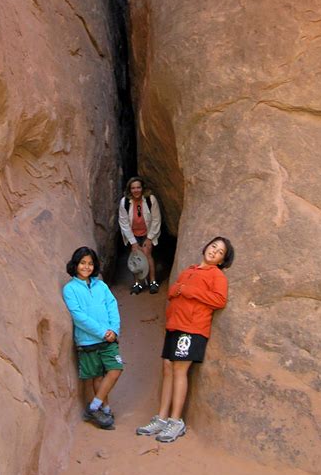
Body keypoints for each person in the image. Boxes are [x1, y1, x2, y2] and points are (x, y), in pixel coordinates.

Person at [136, 236, 235, 442]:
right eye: (213, 246)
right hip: (175, 325)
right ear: (206, 246)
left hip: (192, 328)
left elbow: (219, 300)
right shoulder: (189, 270)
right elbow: (174, 291)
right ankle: (161, 418)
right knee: (167, 368)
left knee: (180, 370)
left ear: (222, 261)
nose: (214, 252)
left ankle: (176, 421)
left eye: (220, 253)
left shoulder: (217, 275)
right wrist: (178, 291)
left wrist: (188, 291)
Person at [62, 246, 123, 430]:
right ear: (75, 264)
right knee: (97, 376)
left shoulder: (101, 286)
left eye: (90, 263)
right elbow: (78, 316)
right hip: (88, 340)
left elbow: (112, 306)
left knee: (115, 369)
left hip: (108, 339)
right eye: (82, 263)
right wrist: (102, 332)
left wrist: (114, 329)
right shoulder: (70, 289)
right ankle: (105, 409)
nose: (86, 267)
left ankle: (93, 406)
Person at [118, 176, 162, 294]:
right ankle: (137, 283)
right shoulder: (125, 202)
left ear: (142, 188)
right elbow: (124, 223)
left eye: (138, 187)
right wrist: (133, 242)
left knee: (147, 254)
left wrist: (149, 238)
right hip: (132, 234)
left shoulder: (150, 199)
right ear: (129, 190)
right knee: (135, 257)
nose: (136, 190)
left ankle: (152, 282)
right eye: (133, 188)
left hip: (148, 232)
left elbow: (156, 219)